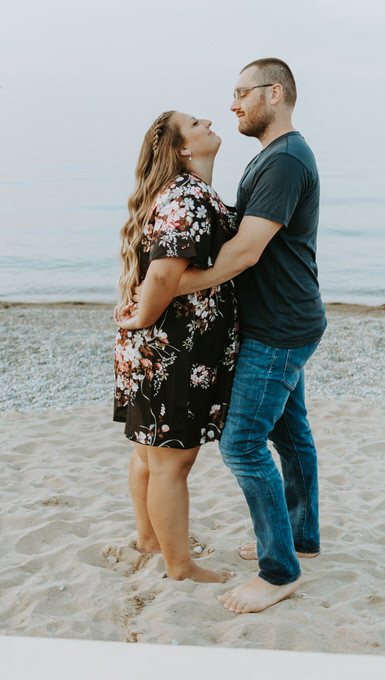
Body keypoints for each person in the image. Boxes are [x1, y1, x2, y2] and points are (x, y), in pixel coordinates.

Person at [171, 58, 327, 613]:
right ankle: (300, 539)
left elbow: (247, 249)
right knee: (292, 435)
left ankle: (279, 570)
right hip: (290, 317)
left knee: (241, 445)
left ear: (275, 93)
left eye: (242, 92)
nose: (232, 103)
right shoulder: (274, 156)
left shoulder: (284, 161)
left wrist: (179, 286)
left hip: (279, 328)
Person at [113, 109, 239, 584]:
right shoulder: (185, 196)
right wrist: (143, 317)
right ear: (183, 149)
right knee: (172, 461)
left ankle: (149, 539)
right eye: (194, 123)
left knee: (150, 454)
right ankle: (179, 567)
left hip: (158, 346)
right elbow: (165, 273)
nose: (207, 120)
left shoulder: (187, 192)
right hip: (171, 348)